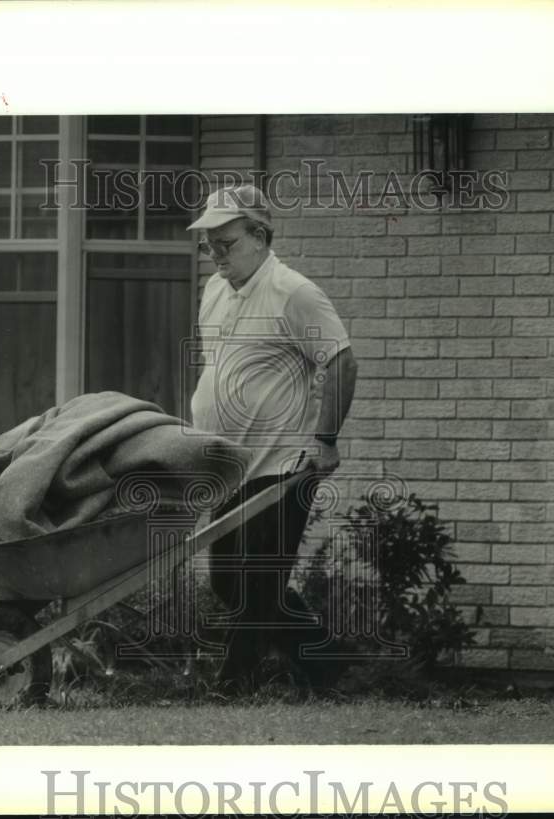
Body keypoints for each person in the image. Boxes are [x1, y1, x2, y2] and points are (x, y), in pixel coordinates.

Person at [188, 184, 358, 691]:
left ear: (260, 236)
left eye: (225, 242)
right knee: (227, 579)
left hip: (282, 466)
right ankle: (329, 667)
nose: (215, 254)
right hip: (228, 465)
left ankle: (230, 687)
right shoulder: (216, 290)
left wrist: (326, 439)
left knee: (259, 583)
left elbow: (342, 360)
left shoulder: (294, 292)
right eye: (208, 244)